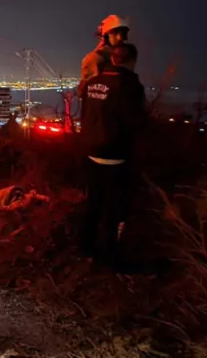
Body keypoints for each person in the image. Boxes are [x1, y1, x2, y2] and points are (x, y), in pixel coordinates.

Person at [79, 43, 147, 272]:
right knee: (113, 208)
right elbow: (135, 121)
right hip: (115, 155)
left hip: (91, 152)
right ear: (131, 60)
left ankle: (86, 248)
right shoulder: (129, 84)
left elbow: (86, 115)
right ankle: (107, 257)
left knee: (93, 203)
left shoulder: (92, 83)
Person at [78, 14, 131, 98]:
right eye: (116, 33)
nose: (120, 38)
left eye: (123, 34)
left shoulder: (124, 58)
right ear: (106, 36)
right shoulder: (95, 58)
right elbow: (86, 92)